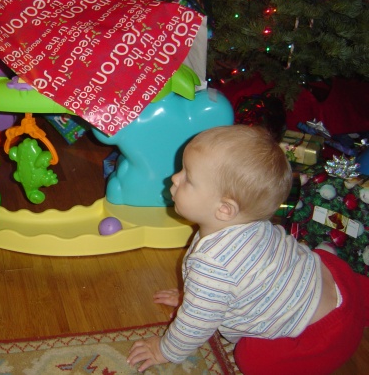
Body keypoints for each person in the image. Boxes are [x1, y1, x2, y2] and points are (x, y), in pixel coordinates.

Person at [127, 124, 369, 375]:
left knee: (251, 358)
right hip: (343, 284)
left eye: (188, 178)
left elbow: (195, 325)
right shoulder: (252, 222)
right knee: (321, 257)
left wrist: (164, 350)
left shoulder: (213, 264)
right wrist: (195, 296)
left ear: (224, 209)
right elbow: (231, 282)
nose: (175, 178)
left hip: (324, 336)